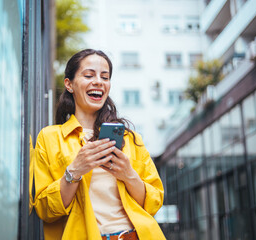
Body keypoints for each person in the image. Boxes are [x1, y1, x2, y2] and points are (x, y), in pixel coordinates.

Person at [33, 49, 165, 240]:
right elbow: (45, 210)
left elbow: (154, 203)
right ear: (69, 84)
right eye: (88, 75)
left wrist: (129, 175)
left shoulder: (129, 139)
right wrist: (74, 172)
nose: (98, 82)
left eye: (105, 77)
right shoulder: (49, 138)